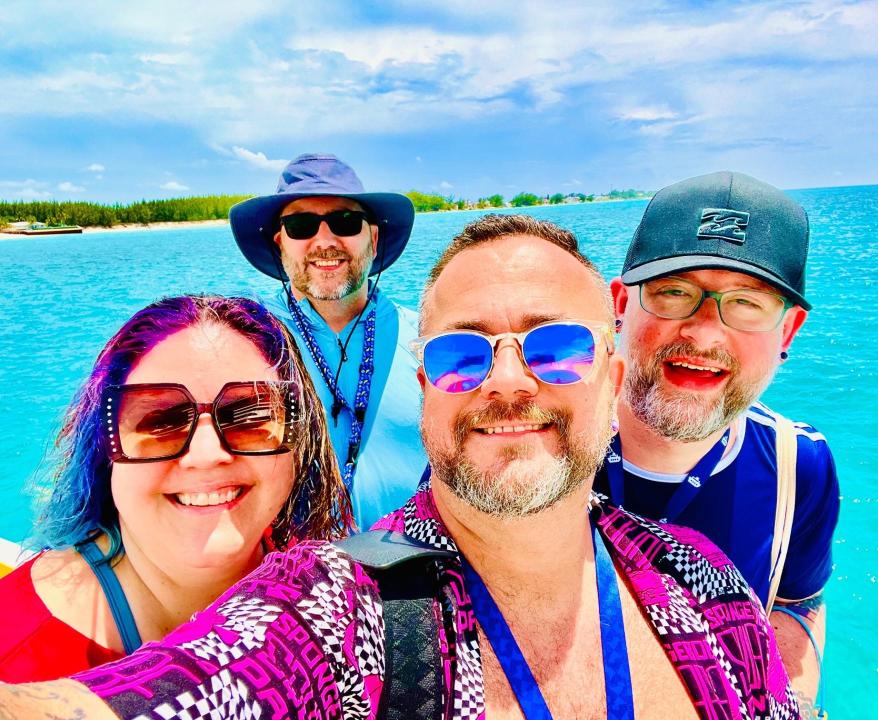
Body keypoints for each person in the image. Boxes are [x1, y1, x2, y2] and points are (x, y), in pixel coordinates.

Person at [0, 216, 799, 719]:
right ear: (426, 393)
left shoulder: (704, 583)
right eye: (460, 354)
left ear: (616, 379)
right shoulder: (343, 608)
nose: (509, 381)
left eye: (557, 349)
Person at [0, 295, 352, 682]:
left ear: (299, 439)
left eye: (249, 414)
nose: (206, 454)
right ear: (104, 449)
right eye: (161, 421)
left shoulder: (331, 593)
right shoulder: (18, 662)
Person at [600, 171, 840, 710]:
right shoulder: (541, 439)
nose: (704, 332)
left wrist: (788, 703)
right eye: (673, 292)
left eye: (747, 303)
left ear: (788, 332)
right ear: (620, 304)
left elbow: (798, 601)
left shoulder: (798, 465)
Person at [230, 153, 426, 529]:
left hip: (417, 568)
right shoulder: (245, 338)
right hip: (294, 576)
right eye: (301, 225)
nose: (325, 241)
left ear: (374, 235)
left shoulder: (426, 337)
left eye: (345, 221)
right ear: (280, 243)